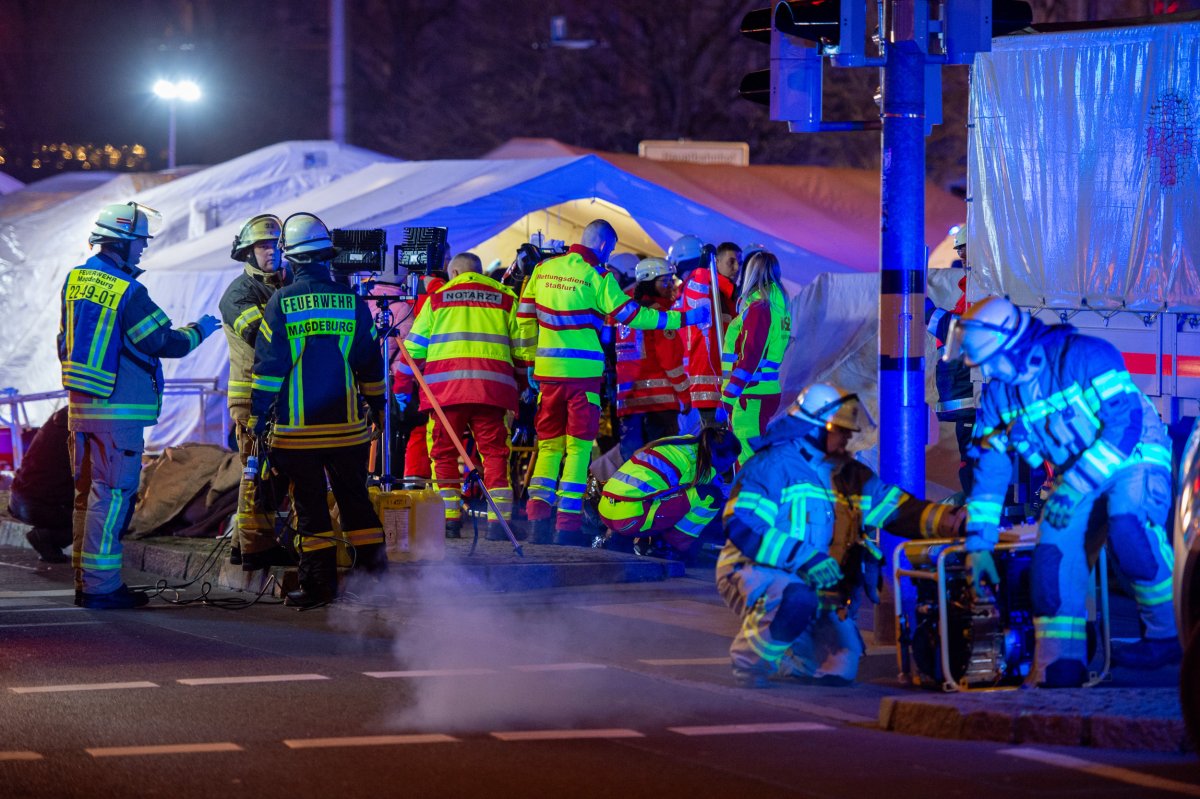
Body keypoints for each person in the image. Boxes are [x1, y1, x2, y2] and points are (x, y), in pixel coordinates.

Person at [947, 295, 1179, 685]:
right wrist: (979, 545)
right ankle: (1059, 665)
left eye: (989, 360)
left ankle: (1168, 636)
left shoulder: (1085, 356)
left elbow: (1125, 423)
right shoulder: (997, 394)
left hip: (1134, 454)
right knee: (1053, 553)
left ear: (1013, 346)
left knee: (1129, 528)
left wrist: (1075, 485)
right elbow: (990, 472)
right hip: (1078, 473)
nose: (986, 371)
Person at [717, 383, 965, 688]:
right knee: (795, 598)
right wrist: (804, 557)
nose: (847, 437)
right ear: (814, 427)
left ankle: (793, 653)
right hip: (755, 570)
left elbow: (897, 509)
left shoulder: (848, 474)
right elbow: (742, 525)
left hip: (816, 581)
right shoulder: (772, 465)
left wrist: (950, 521)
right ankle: (749, 663)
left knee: (840, 665)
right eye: (840, 430)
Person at [59, 201, 221, 609]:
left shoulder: (75, 280)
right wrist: (201, 328)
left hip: (81, 409)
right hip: (119, 412)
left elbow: (65, 340)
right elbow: (163, 341)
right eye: (140, 243)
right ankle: (101, 588)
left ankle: (86, 580)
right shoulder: (128, 290)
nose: (143, 250)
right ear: (123, 242)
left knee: (87, 496)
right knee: (112, 498)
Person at [514, 219, 711, 545]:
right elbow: (634, 316)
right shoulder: (599, 276)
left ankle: (537, 521)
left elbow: (523, 321)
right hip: (583, 379)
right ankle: (567, 526)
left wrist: (530, 366)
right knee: (578, 450)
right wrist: (686, 317)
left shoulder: (543, 269)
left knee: (548, 446)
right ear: (605, 246)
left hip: (548, 376)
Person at [249, 212, 387, 608]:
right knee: (355, 502)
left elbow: (269, 370)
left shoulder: (282, 302)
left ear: (290, 258)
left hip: (298, 434)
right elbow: (369, 364)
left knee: (310, 510)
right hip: (348, 431)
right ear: (328, 257)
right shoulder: (353, 302)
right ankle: (375, 583)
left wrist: (258, 420)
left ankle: (319, 587)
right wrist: (377, 407)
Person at [396, 252, 525, 541]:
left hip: (446, 394)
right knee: (494, 455)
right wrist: (519, 385)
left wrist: (402, 391)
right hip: (491, 392)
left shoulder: (437, 298)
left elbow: (413, 351)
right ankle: (498, 524)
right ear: (480, 272)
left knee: (443, 454)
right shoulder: (505, 298)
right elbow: (522, 351)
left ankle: (450, 522)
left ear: (453, 272)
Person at [218, 214, 296, 571]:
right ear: (247, 252)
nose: (272, 252)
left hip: (283, 395)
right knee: (257, 472)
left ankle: (244, 544)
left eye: (277, 244)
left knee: (274, 474)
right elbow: (261, 338)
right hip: (251, 398)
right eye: (264, 245)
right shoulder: (238, 293)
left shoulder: (287, 283)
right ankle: (253, 549)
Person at [599, 425, 741, 557]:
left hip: (606, 510)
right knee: (710, 496)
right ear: (715, 454)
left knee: (677, 494)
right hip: (628, 518)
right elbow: (713, 492)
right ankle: (673, 547)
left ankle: (631, 537)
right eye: (728, 463)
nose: (727, 469)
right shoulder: (694, 464)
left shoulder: (682, 442)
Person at [614, 257, 689, 461]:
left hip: (628, 407)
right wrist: (685, 395)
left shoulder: (625, 316)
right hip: (660, 407)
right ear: (649, 283)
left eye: (671, 281)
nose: (671, 286)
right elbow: (670, 361)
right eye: (664, 281)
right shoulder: (661, 316)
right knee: (663, 464)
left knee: (632, 467)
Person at [721, 251, 792, 463]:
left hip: (750, 393)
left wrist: (728, 398)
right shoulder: (779, 307)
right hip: (764, 390)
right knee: (757, 456)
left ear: (750, 273)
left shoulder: (760, 308)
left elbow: (749, 358)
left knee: (749, 460)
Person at [924, 224, 976, 494]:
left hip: (975, 394)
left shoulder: (983, 288)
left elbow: (970, 333)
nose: (961, 256)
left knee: (975, 463)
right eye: (959, 250)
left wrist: (931, 315)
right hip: (968, 393)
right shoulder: (973, 287)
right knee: (970, 461)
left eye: (964, 249)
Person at [671, 237, 741, 428]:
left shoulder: (730, 294)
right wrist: (702, 269)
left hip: (724, 383)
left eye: (739, 263)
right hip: (707, 382)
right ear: (716, 262)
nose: (736, 268)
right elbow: (697, 303)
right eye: (731, 262)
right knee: (711, 443)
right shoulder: (703, 285)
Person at [7, 407, 73, 562]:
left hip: (21, 499)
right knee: (101, 517)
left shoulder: (58, 421)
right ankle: (48, 538)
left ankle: (48, 543)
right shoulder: (78, 430)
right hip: (39, 504)